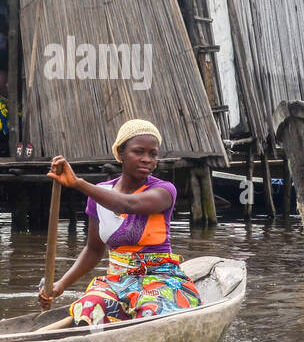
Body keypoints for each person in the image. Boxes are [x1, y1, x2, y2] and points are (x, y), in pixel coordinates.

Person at [38, 119, 201, 326]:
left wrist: (78, 183)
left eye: (153, 154)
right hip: (117, 281)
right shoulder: (100, 193)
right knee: (87, 308)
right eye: (138, 152)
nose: (147, 159)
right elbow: (93, 250)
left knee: (152, 314)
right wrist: (60, 285)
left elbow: (128, 205)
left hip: (159, 279)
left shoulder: (164, 191)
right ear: (121, 153)